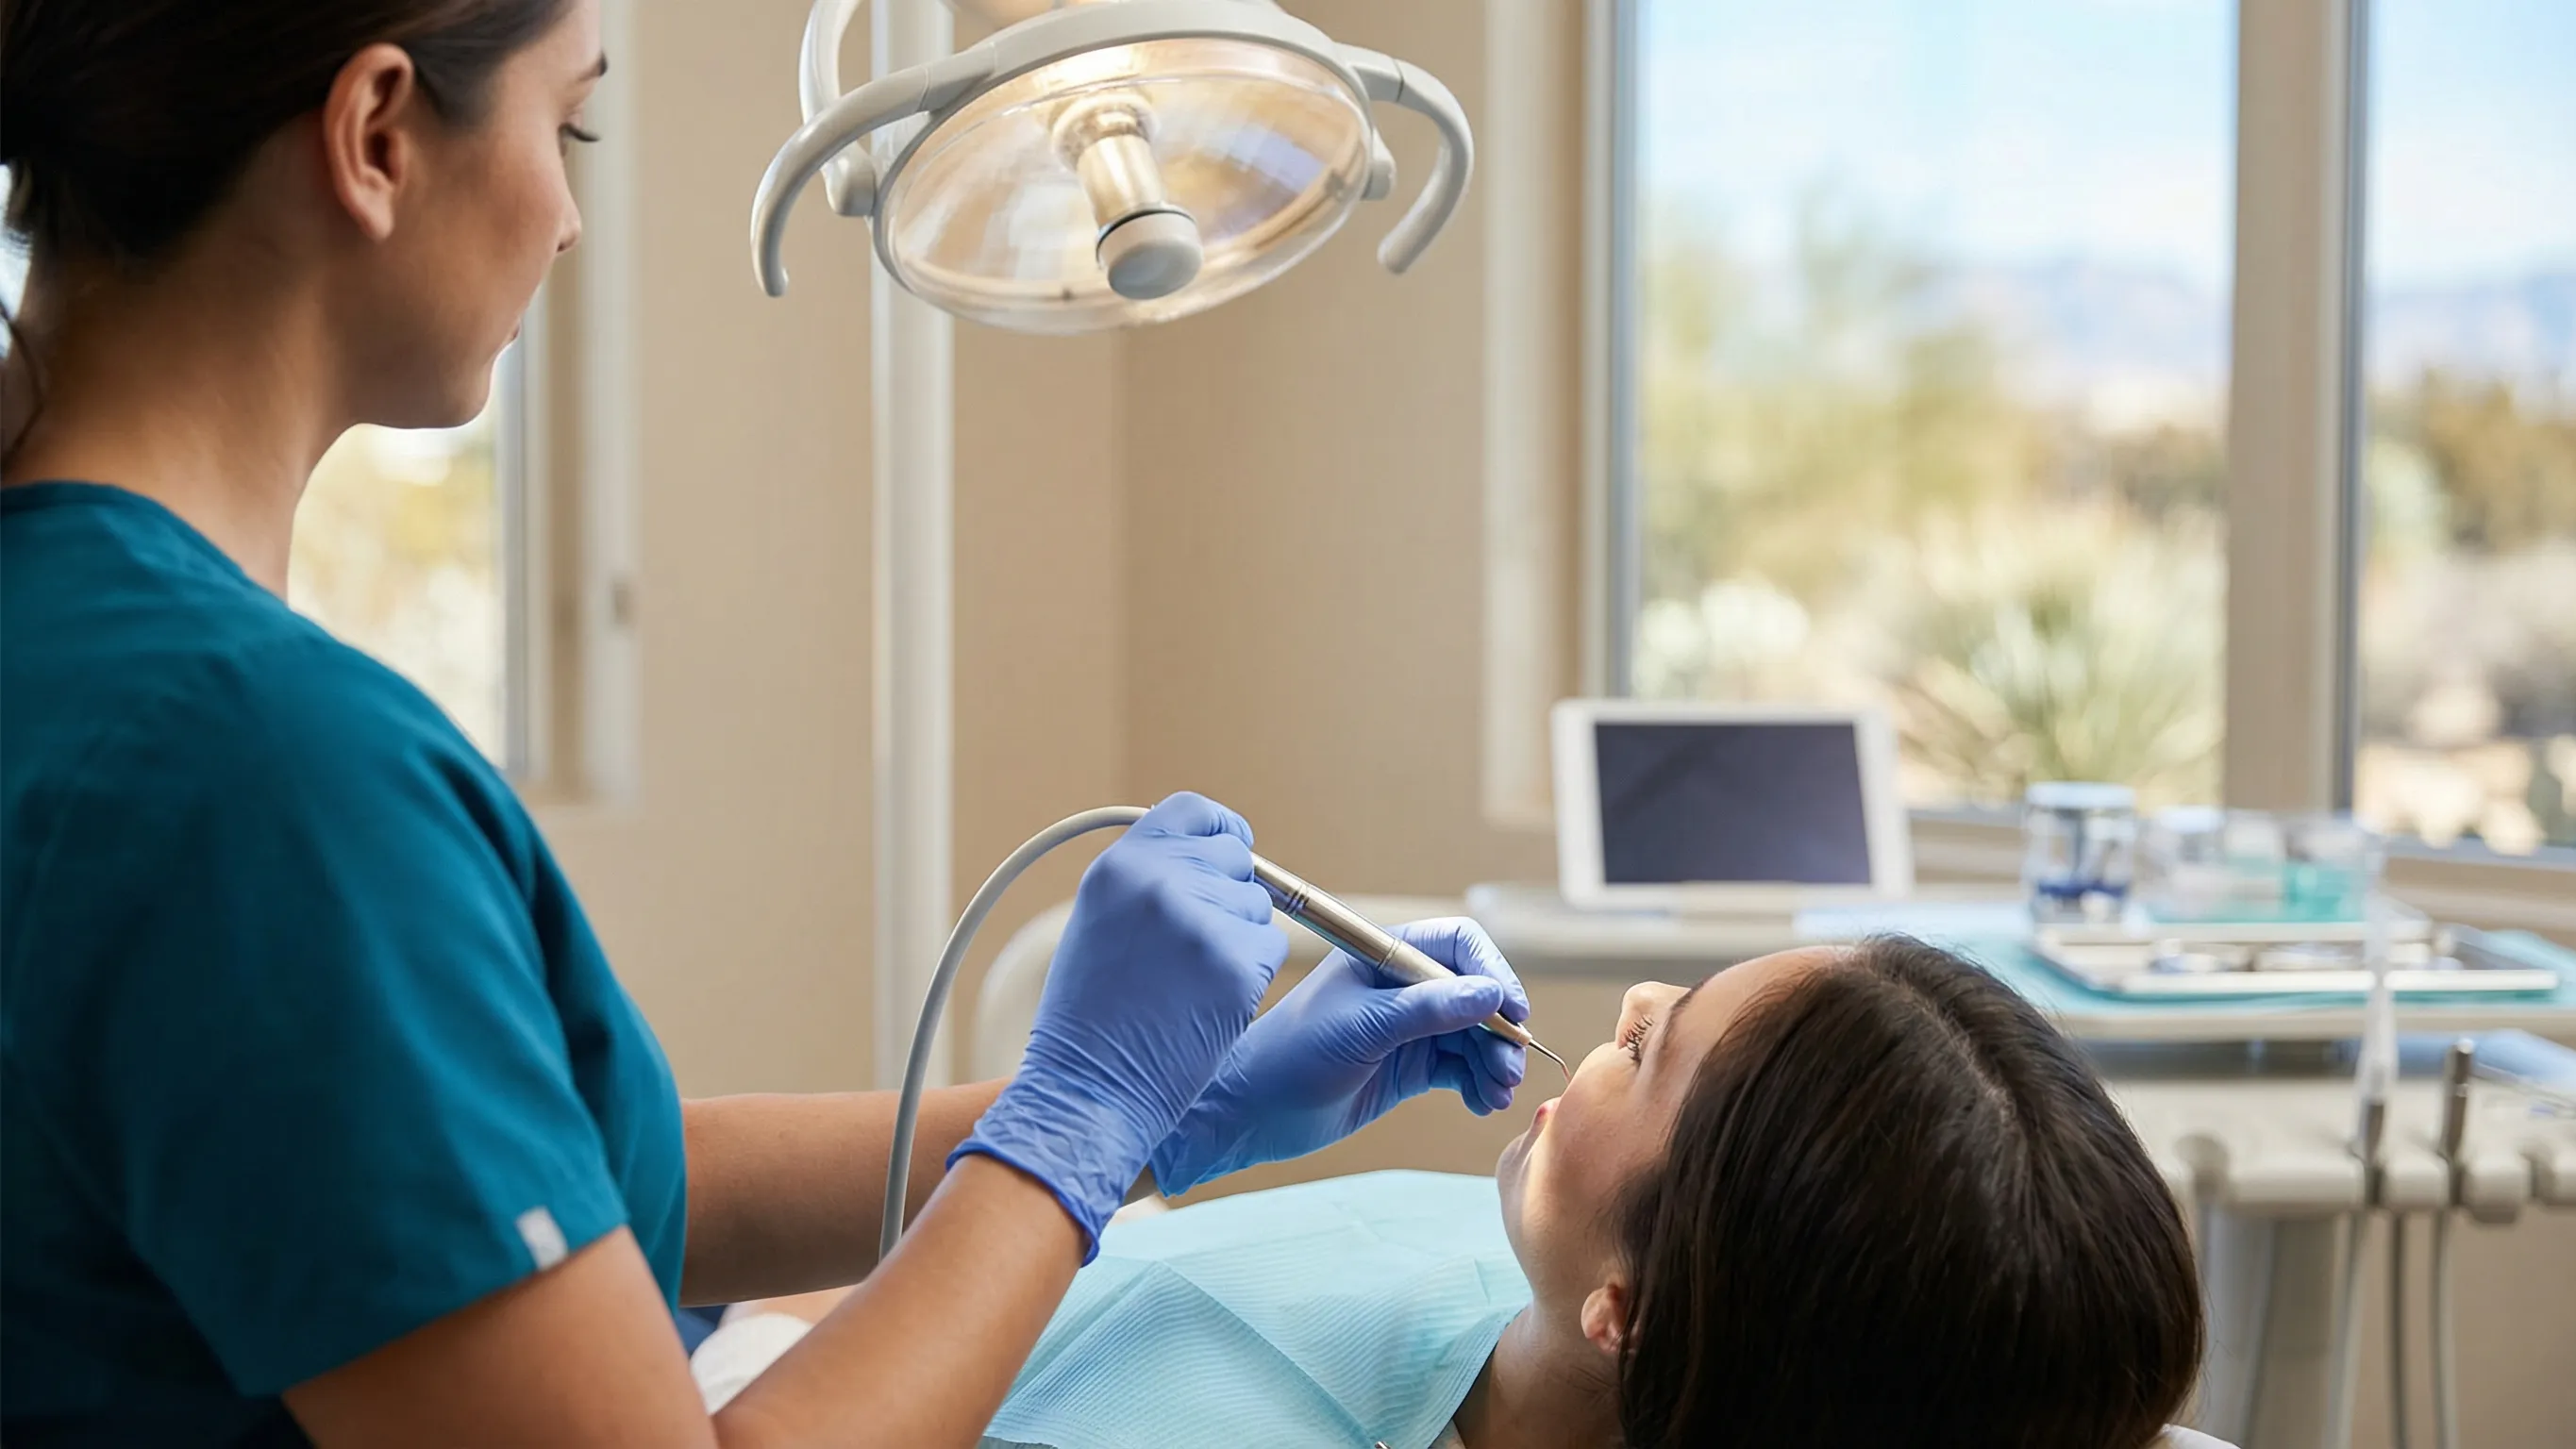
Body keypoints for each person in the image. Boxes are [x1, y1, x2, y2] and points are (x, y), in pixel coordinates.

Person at [0, 2, 1533, 1443]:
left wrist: (1150, 1118)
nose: (566, 215)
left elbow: (568, 1189)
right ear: (380, 134)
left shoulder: (96, 657)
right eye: (570, 130)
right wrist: (1078, 1122)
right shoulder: (255, 771)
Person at [711, 937, 2215, 1449]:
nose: (1629, 999)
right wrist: (1154, 1132)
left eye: (1655, 1047)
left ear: (1630, 1311)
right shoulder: (1516, 1267)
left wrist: (1103, 1121)